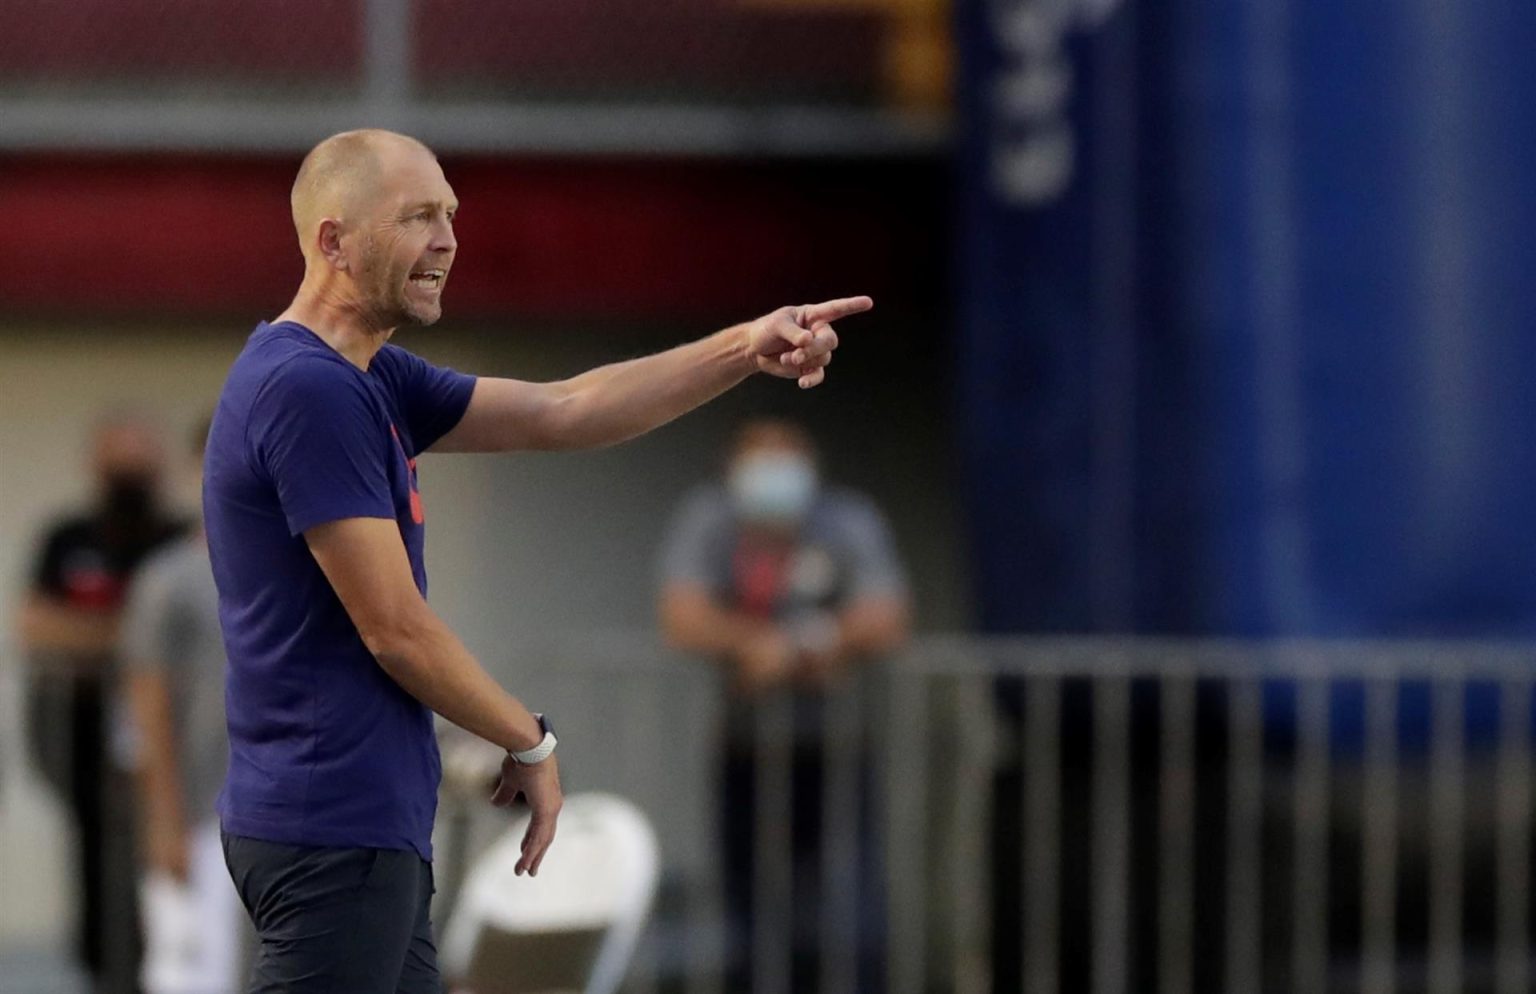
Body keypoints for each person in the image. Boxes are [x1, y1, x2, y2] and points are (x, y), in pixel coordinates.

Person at [202, 127, 870, 994]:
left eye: (449, 214)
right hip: (333, 823)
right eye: (416, 217)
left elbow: (567, 410)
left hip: (358, 825)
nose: (447, 239)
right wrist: (529, 735)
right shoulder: (309, 387)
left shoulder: (368, 376)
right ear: (333, 241)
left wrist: (744, 346)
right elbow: (396, 628)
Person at [657, 417, 910, 994]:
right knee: (749, 913)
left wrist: (800, 646)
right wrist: (751, 644)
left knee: (849, 912)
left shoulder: (846, 520)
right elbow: (682, 615)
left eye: (786, 459)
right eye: (760, 460)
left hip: (837, 749)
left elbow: (887, 614)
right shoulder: (712, 520)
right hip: (746, 746)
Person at [18, 413, 189, 993]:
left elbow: (201, 634)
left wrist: (103, 635)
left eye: (139, 463)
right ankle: (103, 974)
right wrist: (135, 637)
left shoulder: (179, 539)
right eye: (119, 463)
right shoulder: (69, 538)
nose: (129, 475)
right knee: (96, 858)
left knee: (166, 854)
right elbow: (36, 626)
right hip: (81, 732)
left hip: (173, 739)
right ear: (96, 466)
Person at [121, 416, 252, 994]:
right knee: (192, 976)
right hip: (201, 812)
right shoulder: (170, 579)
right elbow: (146, 703)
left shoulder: (309, 568)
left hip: (280, 811)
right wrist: (164, 820)